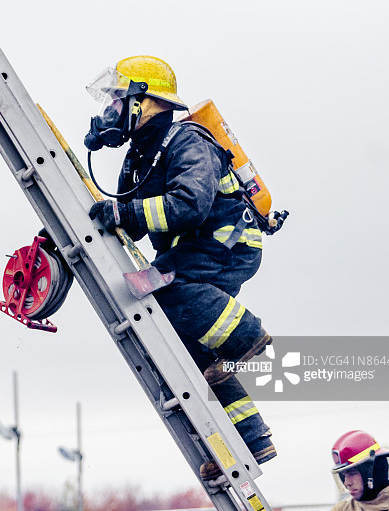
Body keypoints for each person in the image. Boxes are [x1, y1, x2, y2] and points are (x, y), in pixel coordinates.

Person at [84, 55, 274, 480]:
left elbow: (190, 204)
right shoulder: (140, 155)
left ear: (146, 100)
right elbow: (124, 217)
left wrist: (125, 215)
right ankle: (250, 439)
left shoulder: (187, 139)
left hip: (227, 241)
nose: (110, 110)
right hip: (188, 251)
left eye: (117, 99)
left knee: (163, 293)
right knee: (186, 347)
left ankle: (247, 337)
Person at [331, 430, 389, 511]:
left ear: (373, 471)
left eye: (352, 473)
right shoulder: (342, 509)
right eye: (343, 476)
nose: (347, 483)